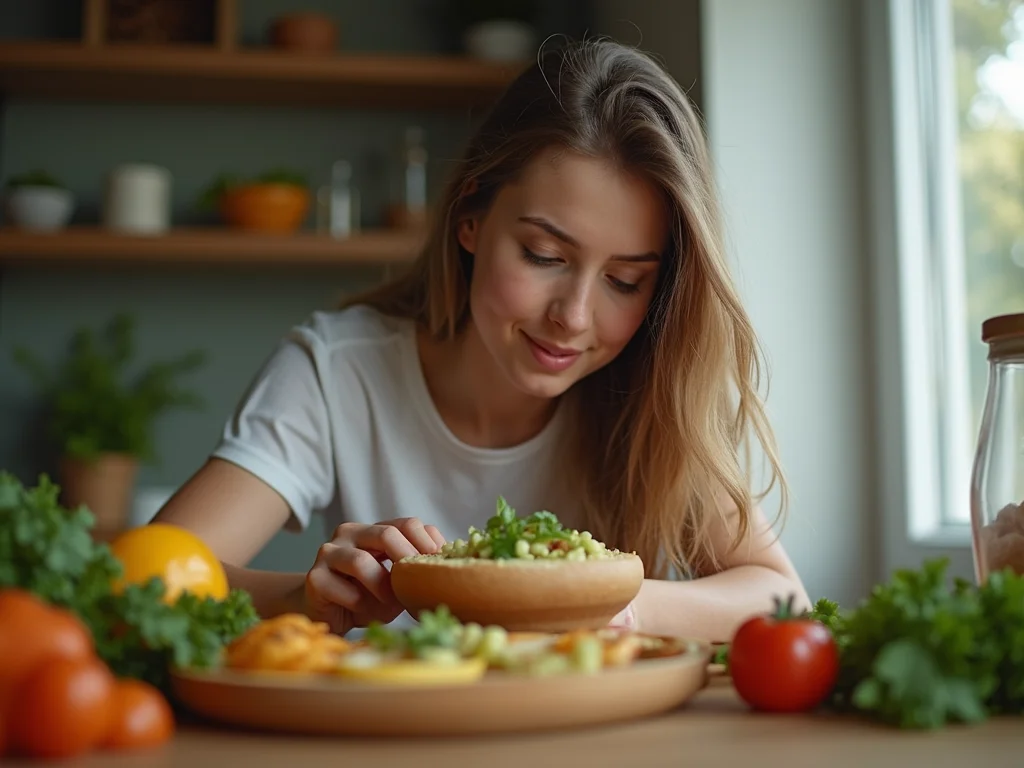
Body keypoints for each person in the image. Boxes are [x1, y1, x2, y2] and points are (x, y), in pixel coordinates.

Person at [154, 37, 810, 643]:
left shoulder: (657, 388)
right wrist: (302, 598)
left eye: (625, 280)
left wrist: (608, 600)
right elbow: (147, 579)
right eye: (544, 255)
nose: (574, 316)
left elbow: (781, 597)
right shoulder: (335, 372)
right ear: (471, 217)